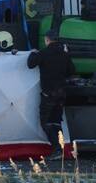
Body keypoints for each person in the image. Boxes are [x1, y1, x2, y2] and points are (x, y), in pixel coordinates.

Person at [26, 30, 76, 160]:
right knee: (56, 122)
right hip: (61, 94)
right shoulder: (64, 55)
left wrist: (33, 53)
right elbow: (71, 70)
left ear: (47, 40)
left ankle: (57, 149)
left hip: (49, 94)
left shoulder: (43, 53)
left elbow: (30, 64)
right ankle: (61, 148)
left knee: (46, 123)